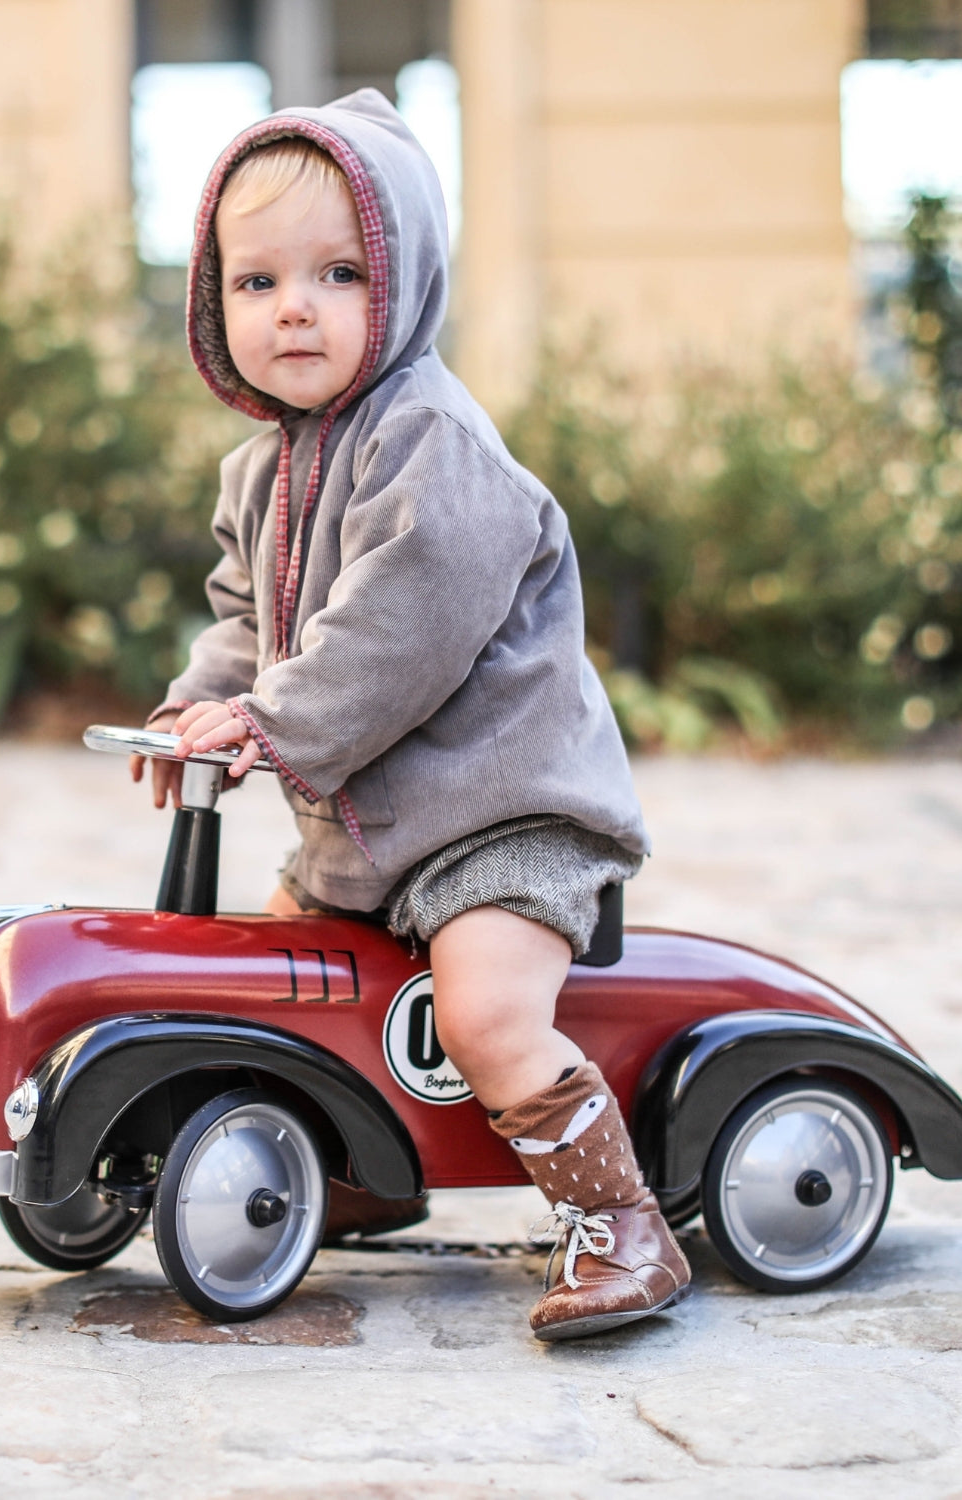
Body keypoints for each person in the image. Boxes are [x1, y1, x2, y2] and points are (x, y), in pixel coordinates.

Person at [131, 89, 690, 1340]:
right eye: (256, 279)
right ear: (212, 302)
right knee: (281, 981)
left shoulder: (436, 442)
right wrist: (206, 702)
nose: (293, 307)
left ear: (406, 283)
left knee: (488, 1013)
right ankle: (356, 1164)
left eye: (337, 273)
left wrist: (273, 722)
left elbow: (400, 634)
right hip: (378, 826)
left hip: (504, 811)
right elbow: (248, 620)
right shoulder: (262, 470)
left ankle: (622, 1230)